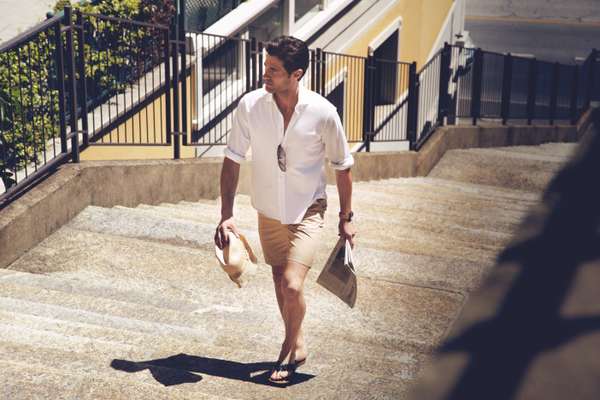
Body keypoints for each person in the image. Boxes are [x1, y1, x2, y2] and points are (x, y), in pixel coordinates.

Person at [214, 35, 356, 384]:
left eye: (274, 70)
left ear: (296, 74)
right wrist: (226, 213)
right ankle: (299, 343)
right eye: (265, 66)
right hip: (268, 211)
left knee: (293, 285)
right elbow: (232, 161)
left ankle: (286, 352)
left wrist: (346, 219)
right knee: (281, 284)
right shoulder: (250, 107)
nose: (266, 74)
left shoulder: (323, 113)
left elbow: (343, 167)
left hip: (308, 209)